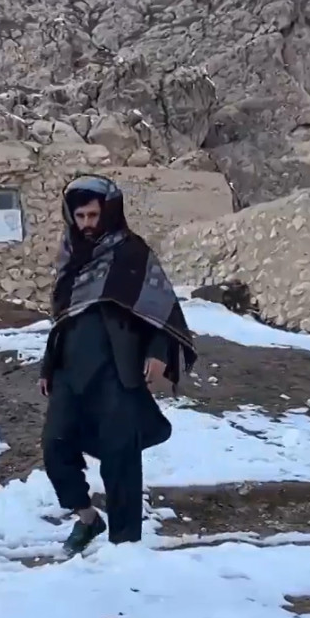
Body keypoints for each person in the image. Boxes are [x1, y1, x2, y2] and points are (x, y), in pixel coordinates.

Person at [38, 175, 197, 554]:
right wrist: (47, 367)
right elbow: (61, 319)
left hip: (117, 369)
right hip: (69, 371)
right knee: (54, 446)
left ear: (108, 211)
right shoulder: (71, 258)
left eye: (93, 214)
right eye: (80, 216)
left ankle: (125, 544)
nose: (87, 223)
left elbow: (160, 308)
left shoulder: (132, 252)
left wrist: (158, 353)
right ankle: (88, 518)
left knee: (120, 457)